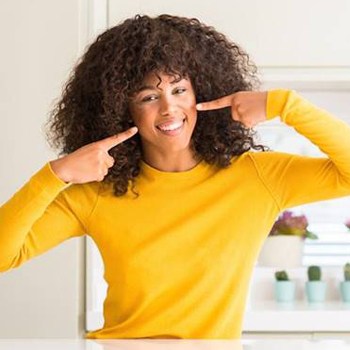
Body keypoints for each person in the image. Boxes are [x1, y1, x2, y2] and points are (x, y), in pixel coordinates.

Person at [0, 14, 349, 339]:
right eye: (149, 96)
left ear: (202, 93)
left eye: (179, 90)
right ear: (122, 110)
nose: (169, 108)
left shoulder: (258, 177)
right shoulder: (95, 193)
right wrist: (55, 175)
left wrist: (286, 105)